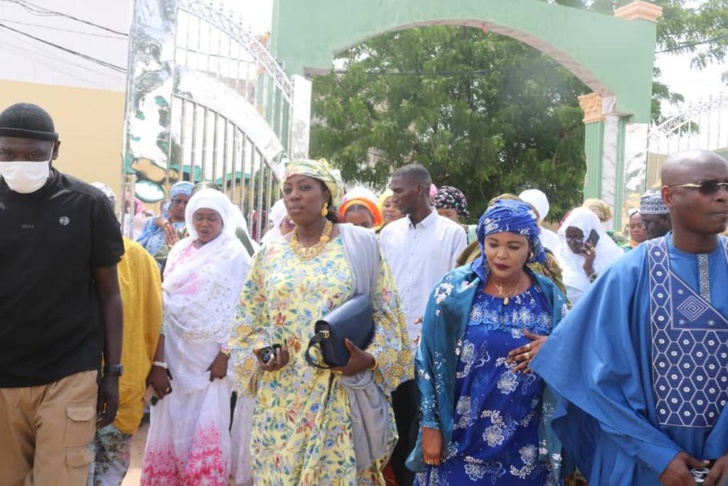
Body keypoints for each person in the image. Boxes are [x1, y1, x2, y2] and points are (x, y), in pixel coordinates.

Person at [531, 150, 728, 485]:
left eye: (726, 185)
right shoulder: (628, 274)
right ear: (669, 196)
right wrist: (657, 455)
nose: (722, 195)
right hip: (642, 466)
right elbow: (592, 376)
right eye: (707, 187)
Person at [231, 158, 413, 485]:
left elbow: (386, 312)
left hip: (339, 389)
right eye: (288, 190)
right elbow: (249, 320)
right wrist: (262, 352)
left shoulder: (359, 244)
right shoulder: (269, 254)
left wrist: (370, 358)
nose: (294, 196)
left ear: (326, 195)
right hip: (281, 398)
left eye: (305, 188)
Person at [0, 103, 124, 485]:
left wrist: (113, 373)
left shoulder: (88, 204)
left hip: (70, 373)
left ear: (55, 149)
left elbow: (109, 294)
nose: (21, 163)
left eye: (34, 155)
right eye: (7, 154)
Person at [407, 199, 568, 485]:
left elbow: (577, 349)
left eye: (514, 246)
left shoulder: (548, 296)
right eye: (493, 243)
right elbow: (428, 361)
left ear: (530, 247)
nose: (501, 254)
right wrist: (430, 424)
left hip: (525, 446)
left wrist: (554, 349)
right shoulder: (453, 290)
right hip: (458, 442)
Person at [141, 189, 250, 484]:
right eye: (199, 217)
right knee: (171, 418)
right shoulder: (179, 250)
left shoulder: (235, 255)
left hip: (209, 358)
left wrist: (225, 354)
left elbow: (242, 309)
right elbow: (166, 303)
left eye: (211, 218)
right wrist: (160, 363)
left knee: (207, 421)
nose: (204, 224)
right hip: (175, 353)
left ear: (223, 219)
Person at [380, 164, 468, 486]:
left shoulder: (451, 234)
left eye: (398, 190)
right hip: (393, 347)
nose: (393, 198)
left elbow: (458, 291)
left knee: (426, 424)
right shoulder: (388, 234)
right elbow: (382, 288)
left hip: (432, 347)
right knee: (397, 423)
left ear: (419, 189)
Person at [88, 183, 163, 486]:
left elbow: (158, 318)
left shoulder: (139, 258)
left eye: (105, 210)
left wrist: (158, 366)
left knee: (110, 472)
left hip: (124, 381)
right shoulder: (65, 252)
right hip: (70, 383)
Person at [556, 207, 624, 305]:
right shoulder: (560, 254)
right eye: (568, 236)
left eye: (578, 237)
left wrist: (589, 269)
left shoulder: (612, 257)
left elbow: (611, 296)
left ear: (591, 234)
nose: (572, 242)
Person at [136, 180, 194, 267]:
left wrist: (165, 225)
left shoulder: (190, 228)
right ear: (172, 201)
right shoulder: (153, 222)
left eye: (186, 203)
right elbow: (139, 247)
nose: (181, 206)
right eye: (178, 201)